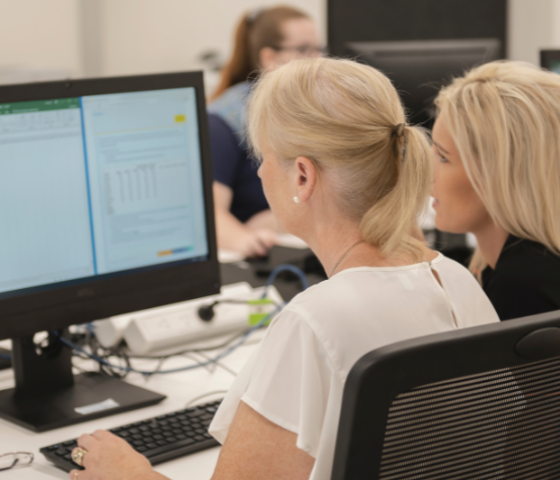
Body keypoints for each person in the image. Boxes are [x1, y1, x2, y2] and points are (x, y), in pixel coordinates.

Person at [68, 58, 499, 480]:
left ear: (303, 177)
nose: (258, 170)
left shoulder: (315, 321)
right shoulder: (457, 280)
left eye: (266, 156)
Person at [432, 60, 560, 321]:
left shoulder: (522, 289)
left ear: (501, 174)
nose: (427, 173)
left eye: (443, 158)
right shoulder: (522, 268)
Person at [208, 6, 322, 257]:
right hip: (260, 258)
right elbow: (210, 214)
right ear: (270, 58)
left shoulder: (313, 112)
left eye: (318, 49)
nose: (316, 59)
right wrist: (247, 239)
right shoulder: (224, 121)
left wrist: (278, 219)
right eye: (303, 50)